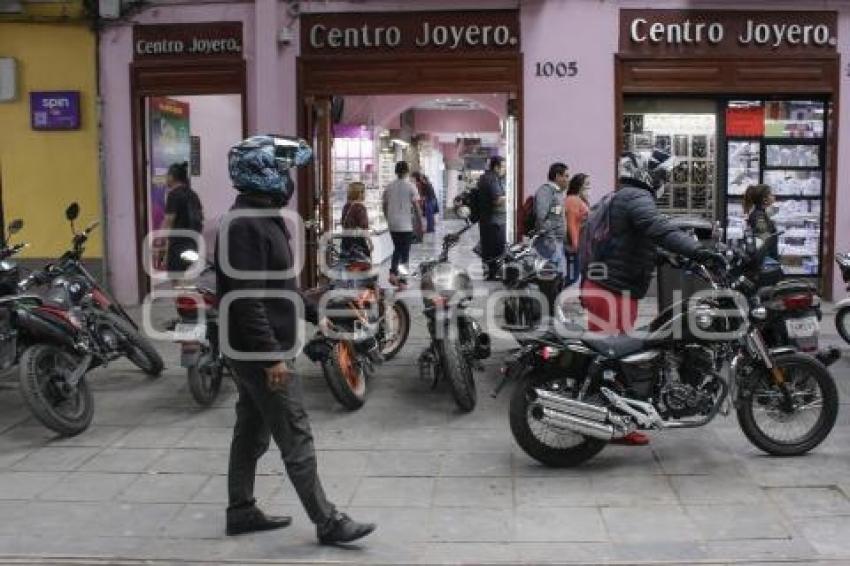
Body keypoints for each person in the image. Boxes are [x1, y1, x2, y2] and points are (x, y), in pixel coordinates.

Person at [216, 135, 375, 544]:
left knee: (251, 430)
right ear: (261, 173)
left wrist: (315, 310)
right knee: (295, 431)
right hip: (256, 352)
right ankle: (327, 521)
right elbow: (246, 300)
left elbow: (275, 290)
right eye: (282, 170)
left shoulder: (261, 217)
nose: (288, 180)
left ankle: (241, 510)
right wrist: (272, 360)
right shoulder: (244, 225)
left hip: (257, 348)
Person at [581, 150, 721, 446]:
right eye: (661, 175)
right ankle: (614, 425)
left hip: (604, 285)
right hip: (613, 290)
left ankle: (610, 419)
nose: (664, 181)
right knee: (615, 362)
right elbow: (657, 228)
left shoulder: (620, 196)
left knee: (612, 357)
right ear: (647, 174)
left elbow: (629, 242)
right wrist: (697, 251)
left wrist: (668, 258)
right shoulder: (637, 198)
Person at [156, 161, 203, 278]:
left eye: (167, 175)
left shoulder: (174, 195)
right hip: (193, 245)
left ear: (172, 177)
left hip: (178, 246)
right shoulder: (193, 194)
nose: (166, 178)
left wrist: (160, 244)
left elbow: (168, 221)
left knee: (177, 281)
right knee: (188, 280)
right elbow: (200, 219)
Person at [533, 163, 570, 314]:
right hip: (549, 243)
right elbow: (541, 217)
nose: (568, 179)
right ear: (557, 176)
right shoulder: (545, 191)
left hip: (557, 242)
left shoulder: (558, 193)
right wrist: (551, 238)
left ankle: (555, 310)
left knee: (559, 277)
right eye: (566, 176)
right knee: (550, 279)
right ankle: (550, 312)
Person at [382, 161, 422, 287]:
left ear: (395, 171)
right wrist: (421, 222)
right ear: (407, 171)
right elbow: (416, 206)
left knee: (397, 248)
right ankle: (402, 279)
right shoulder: (411, 186)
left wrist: (387, 218)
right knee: (404, 252)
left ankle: (393, 273)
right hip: (405, 224)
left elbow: (384, 204)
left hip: (393, 223)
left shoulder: (389, 186)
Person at [478, 156, 507, 280]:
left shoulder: (485, 177)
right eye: (503, 167)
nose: (504, 170)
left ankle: (489, 272)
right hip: (495, 220)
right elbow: (497, 200)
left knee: (488, 247)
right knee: (496, 248)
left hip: (487, 219)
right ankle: (493, 273)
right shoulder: (492, 179)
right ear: (496, 167)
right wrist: (510, 195)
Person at [564, 173, 591, 287]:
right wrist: (575, 245)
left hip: (580, 243)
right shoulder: (573, 200)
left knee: (575, 275)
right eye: (587, 184)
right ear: (579, 185)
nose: (589, 187)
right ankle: (553, 297)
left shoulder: (579, 200)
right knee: (572, 276)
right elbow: (571, 223)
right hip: (574, 245)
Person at [743, 183, 779, 260]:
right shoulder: (759, 216)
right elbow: (764, 235)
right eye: (771, 194)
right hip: (765, 260)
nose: (774, 196)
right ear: (764, 199)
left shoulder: (761, 213)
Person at [340, 181, 373, 261]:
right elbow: (364, 228)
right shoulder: (360, 207)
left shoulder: (346, 206)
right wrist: (370, 243)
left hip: (345, 241)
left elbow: (343, 222)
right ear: (359, 193)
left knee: (348, 266)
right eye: (364, 192)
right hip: (358, 242)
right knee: (362, 266)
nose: (365, 194)